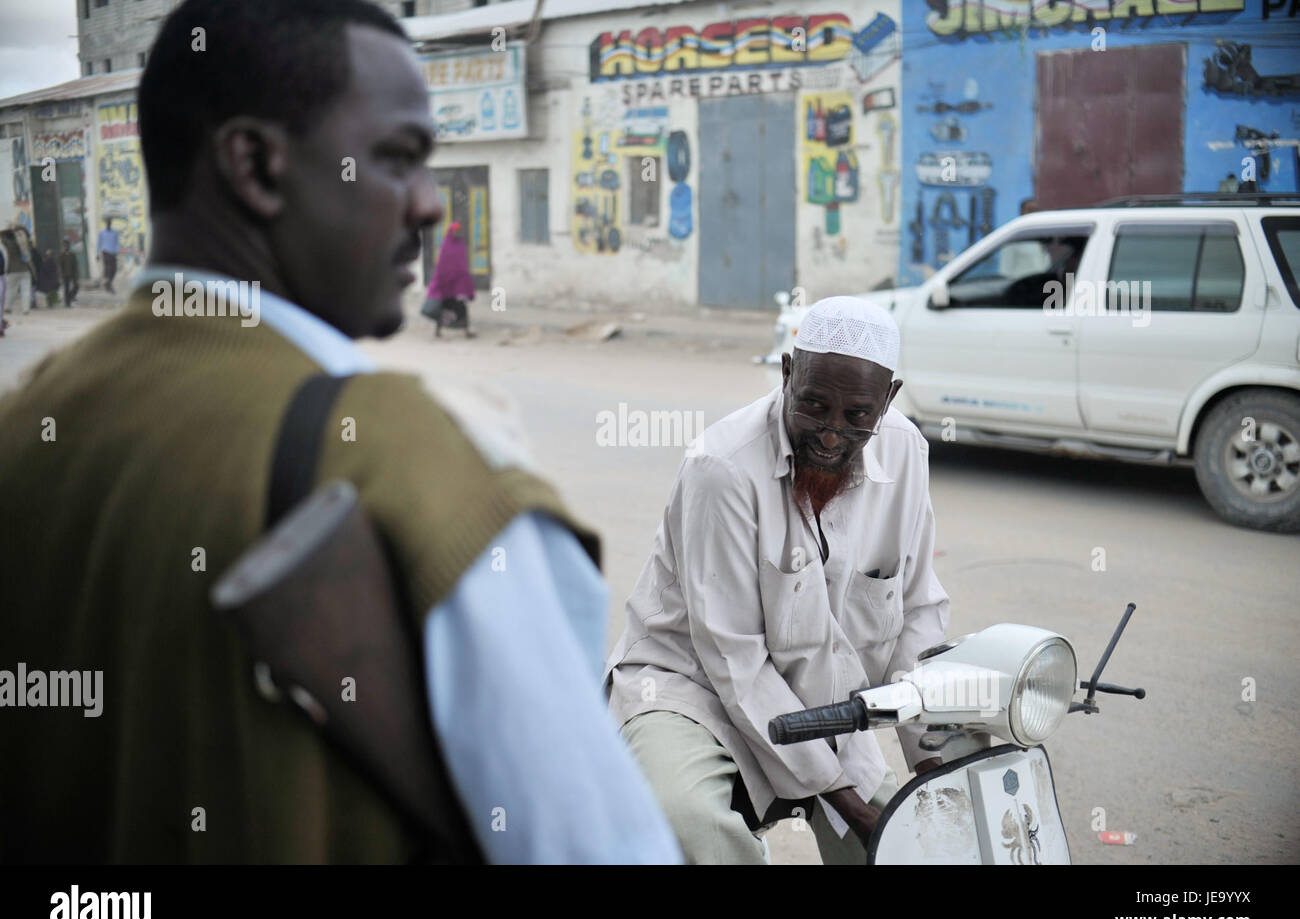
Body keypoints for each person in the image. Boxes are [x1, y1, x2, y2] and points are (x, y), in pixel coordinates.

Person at [0, 0, 679, 865]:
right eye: (396, 158)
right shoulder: (402, 456)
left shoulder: (25, 427)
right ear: (255, 165)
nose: (431, 205)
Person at [605, 296, 951, 864]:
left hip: (822, 703)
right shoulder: (721, 468)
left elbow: (917, 615)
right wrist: (845, 800)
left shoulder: (907, 452)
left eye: (857, 415)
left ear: (888, 398)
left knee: (912, 845)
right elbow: (733, 662)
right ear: (787, 372)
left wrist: (931, 762)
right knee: (689, 823)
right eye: (814, 405)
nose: (832, 435)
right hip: (692, 688)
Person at [424, 221, 476, 338]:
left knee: (462, 308)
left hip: (458, 285)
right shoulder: (446, 246)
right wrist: (440, 282)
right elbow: (442, 266)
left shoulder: (461, 245)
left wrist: (465, 282)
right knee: (444, 308)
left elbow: (463, 265)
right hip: (446, 285)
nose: (458, 233)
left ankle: (466, 330)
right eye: (456, 230)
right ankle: (438, 331)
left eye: (459, 231)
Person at [3, 226, 33, 315]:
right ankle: (25, 309)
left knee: (11, 290)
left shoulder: (8, 244)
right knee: (26, 290)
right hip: (25, 270)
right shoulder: (25, 243)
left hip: (13, 271)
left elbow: (3, 238)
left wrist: (8, 231)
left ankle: (8, 307)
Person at [97, 217, 120, 292]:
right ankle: (108, 285)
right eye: (107, 222)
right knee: (109, 269)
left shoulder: (115, 232)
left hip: (113, 253)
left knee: (114, 269)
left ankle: (108, 283)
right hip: (106, 252)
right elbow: (99, 243)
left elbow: (117, 243)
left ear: (111, 223)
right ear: (106, 223)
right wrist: (97, 253)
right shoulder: (102, 232)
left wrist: (117, 251)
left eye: (109, 222)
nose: (108, 224)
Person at [59, 239, 79, 307]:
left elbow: (75, 265)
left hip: (72, 273)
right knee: (66, 288)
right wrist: (61, 274)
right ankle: (67, 302)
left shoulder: (72, 254)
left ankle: (70, 297)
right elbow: (60, 265)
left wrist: (76, 274)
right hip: (65, 274)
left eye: (67, 245)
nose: (66, 246)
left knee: (76, 286)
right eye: (65, 245)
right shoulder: (62, 255)